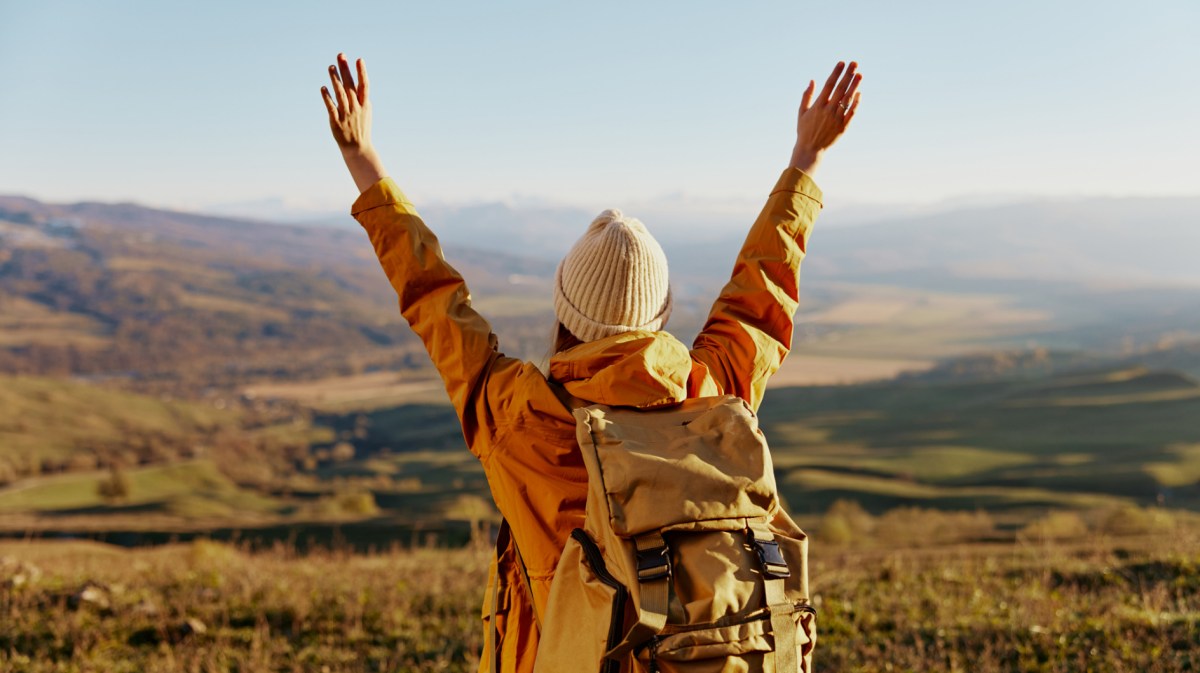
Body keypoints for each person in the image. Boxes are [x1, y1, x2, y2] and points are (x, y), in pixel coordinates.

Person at [321, 53, 862, 673]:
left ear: (564, 309)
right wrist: (806, 161)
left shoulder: (520, 416)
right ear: (659, 314)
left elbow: (434, 298)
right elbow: (762, 293)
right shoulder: (714, 394)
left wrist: (363, 160)